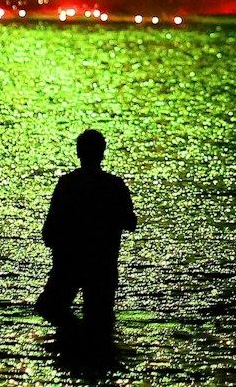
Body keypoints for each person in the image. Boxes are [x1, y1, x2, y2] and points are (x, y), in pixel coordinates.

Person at [35, 128, 137, 339]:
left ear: (79, 153)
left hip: (69, 263)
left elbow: (49, 230)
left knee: (50, 309)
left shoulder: (67, 184)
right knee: (99, 319)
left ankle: (74, 339)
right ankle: (91, 349)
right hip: (102, 265)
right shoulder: (114, 186)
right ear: (102, 154)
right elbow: (130, 222)